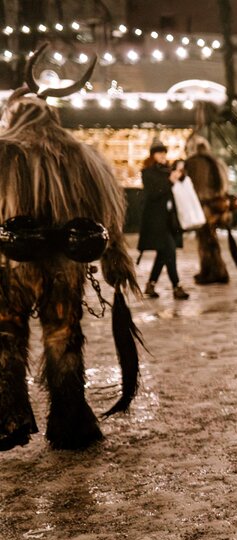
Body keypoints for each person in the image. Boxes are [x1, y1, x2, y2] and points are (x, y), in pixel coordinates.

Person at [0, 45, 141, 450]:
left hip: (11, 266)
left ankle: (9, 413)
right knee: (63, 335)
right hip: (64, 266)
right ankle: (69, 418)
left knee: (6, 332)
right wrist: (116, 261)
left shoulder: (4, 153)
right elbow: (108, 217)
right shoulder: (83, 156)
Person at [184, 135, 237, 285]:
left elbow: (193, 188)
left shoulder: (194, 163)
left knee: (206, 240)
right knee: (211, 239)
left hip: (205, 208)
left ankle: (213, 272)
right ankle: (214, 271)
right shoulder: (217, 162)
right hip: (219, 206)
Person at [137, 140, 190, 300]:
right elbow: (154, 192)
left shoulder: (168, 170)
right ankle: (177, 286)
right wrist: (169, 181)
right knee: (169, 250)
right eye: (159, 152)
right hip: (155, 220)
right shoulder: (147, 172)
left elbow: (181, 181)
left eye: (164, 152)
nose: (162, 156)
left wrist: (180, 173)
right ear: (153, 155)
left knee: (163, 253)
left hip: (169, 220)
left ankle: (150, 285)